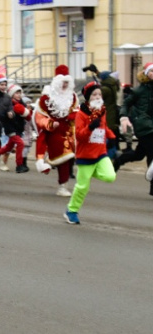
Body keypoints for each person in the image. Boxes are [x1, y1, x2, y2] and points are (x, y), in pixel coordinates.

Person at [63, 82, 116, 224]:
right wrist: (90, 127)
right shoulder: (81, 113)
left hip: (100, 152)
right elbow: (79, 136)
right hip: (85, 155)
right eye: (94, 94)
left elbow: (104, 127)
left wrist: (111, 137)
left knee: (110, 176)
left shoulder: (102, 110)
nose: (98, 97)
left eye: (99, 94)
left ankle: (90, 173)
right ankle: (71, 211)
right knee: (82, 187)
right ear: (88, 97)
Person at [33, 65, 78, 196]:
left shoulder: (72, 97)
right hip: (54, 132)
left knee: (69, 160)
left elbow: (77, 111)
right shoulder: (46, 98)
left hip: (69, 131)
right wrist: (50, 124)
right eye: (62, 82)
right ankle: (62, 186)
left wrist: (73, 116)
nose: (64, 85)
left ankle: (63, 183)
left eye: (67, 82)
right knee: (63, 158)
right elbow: (39, 117)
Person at [114, 63, 153, 195]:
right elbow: (126, 103)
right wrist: (124, 117)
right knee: (152, 153)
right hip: (143, 126)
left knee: (139, 155)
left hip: (151, 125)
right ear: (146, 74)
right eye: (152, 71)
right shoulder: (139, 90)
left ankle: (119, 160)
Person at [3, 84, 32, 173]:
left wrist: (26, 113)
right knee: (20, 144)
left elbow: (27, 117)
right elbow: (6, 116)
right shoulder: (8, 103)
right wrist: (11, 114)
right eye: (16, 93)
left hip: (19, 129)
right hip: (11, 129)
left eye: (20, 92)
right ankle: (19, 165)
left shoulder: (21, 103)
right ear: (12, 94)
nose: (19, 95)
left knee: (7, 148)